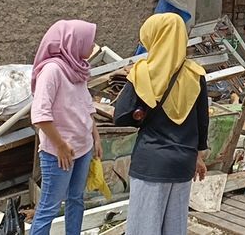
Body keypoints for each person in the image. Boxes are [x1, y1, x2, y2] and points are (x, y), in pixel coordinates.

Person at [115, 13, 209, 235]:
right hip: (183, 163)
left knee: (144, 228)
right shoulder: (196, 74)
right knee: (175, 228)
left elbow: (121, 116)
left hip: (151, 163)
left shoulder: (142, 73)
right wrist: (198, 156)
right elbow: (202, 121)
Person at [30, 20, 102, 235]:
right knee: (49, 208)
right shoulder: (52, 71)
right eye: (90, 40)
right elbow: (40, 115)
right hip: (59, 153)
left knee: (76, 200)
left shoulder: (77, 68)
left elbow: (86, 107)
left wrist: (96, 138)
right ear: (75, 41)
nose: (93, 45)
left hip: (83, 148)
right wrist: (60, 145)